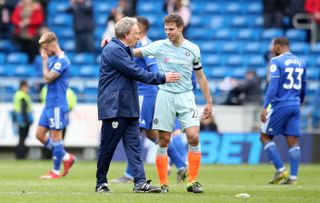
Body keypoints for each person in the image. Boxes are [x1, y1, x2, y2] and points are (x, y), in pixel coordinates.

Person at [95, 16, 181, 193]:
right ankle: (101, 182)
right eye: (136, 33)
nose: (139, 36)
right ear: (127, 35)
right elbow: (134, 71)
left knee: (134, 147)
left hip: (129, 105)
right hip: (115, 106)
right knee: (108, 146)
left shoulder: (121, 47)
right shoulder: (113, 50)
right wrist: (162, 78)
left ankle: (140, 182)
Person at [133, 14, 213, 193]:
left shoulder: (193, 49)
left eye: (171, 29)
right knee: (163, 140)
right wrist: (113, 44)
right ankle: (163, 184)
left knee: (193, 137)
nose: (168, 32)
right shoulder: (159, 46)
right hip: (165, 95)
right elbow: (134, 52)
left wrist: (209, 101)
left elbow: (200, 76)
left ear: (180, 28)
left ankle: (192, 182)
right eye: (166, 29)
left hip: (186, 97)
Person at [260, 37, 307, 185]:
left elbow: (273, 86)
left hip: (280, 104)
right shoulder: (301, 62)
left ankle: (280, 169)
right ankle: (293, 177)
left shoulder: (276, 61)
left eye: (274, 49)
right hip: (295, 104)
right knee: (293, 140)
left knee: (264, 136)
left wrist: (265, 106)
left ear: (278, 47)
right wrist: (299, 102)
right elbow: (304, 87)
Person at [35, 31, 76, 179]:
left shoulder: (62, 60)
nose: (44, 52)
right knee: (39, 134)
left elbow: (47, 78)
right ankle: (66, 157)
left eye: (46, 48)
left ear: (53, 45)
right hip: (49, 105)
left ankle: (55, 171)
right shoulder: (54, 59)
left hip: (57, 105)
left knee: (56, 137)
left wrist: (44, 62)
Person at [13, 80, 34, 159]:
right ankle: (21, 156)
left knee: (21, 139)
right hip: (23, 120)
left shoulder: (17, 94)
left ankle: (19, 155)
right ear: (23, 87)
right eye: (26, 87)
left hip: (20, 119)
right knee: (22, 139)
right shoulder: (22, 95)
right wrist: (27, 120)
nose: (27, 88)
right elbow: (23, 109)